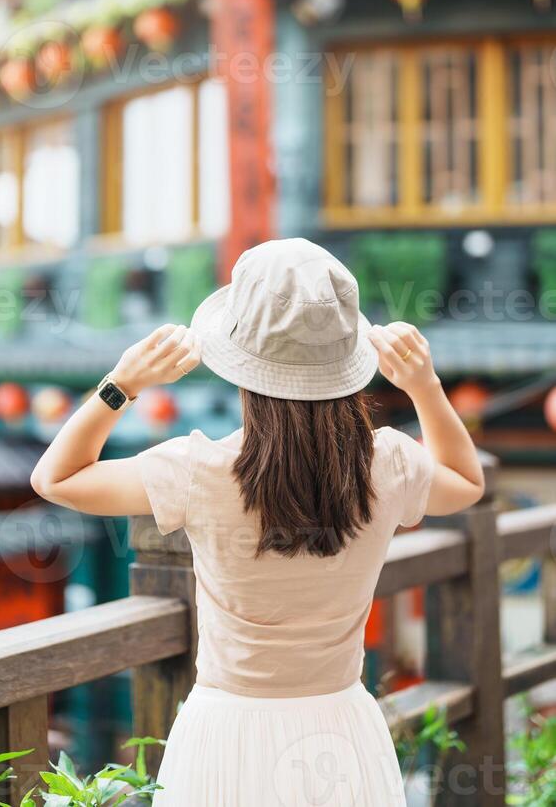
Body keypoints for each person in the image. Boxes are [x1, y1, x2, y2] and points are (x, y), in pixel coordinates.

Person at [31, 238, 485, 806]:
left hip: (227, 730)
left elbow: (55, 479)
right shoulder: (388, 463)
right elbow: (468, 483)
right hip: (339, 727)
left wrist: (122, 383)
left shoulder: (198, 470)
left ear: (241, 365)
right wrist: (425, 386)